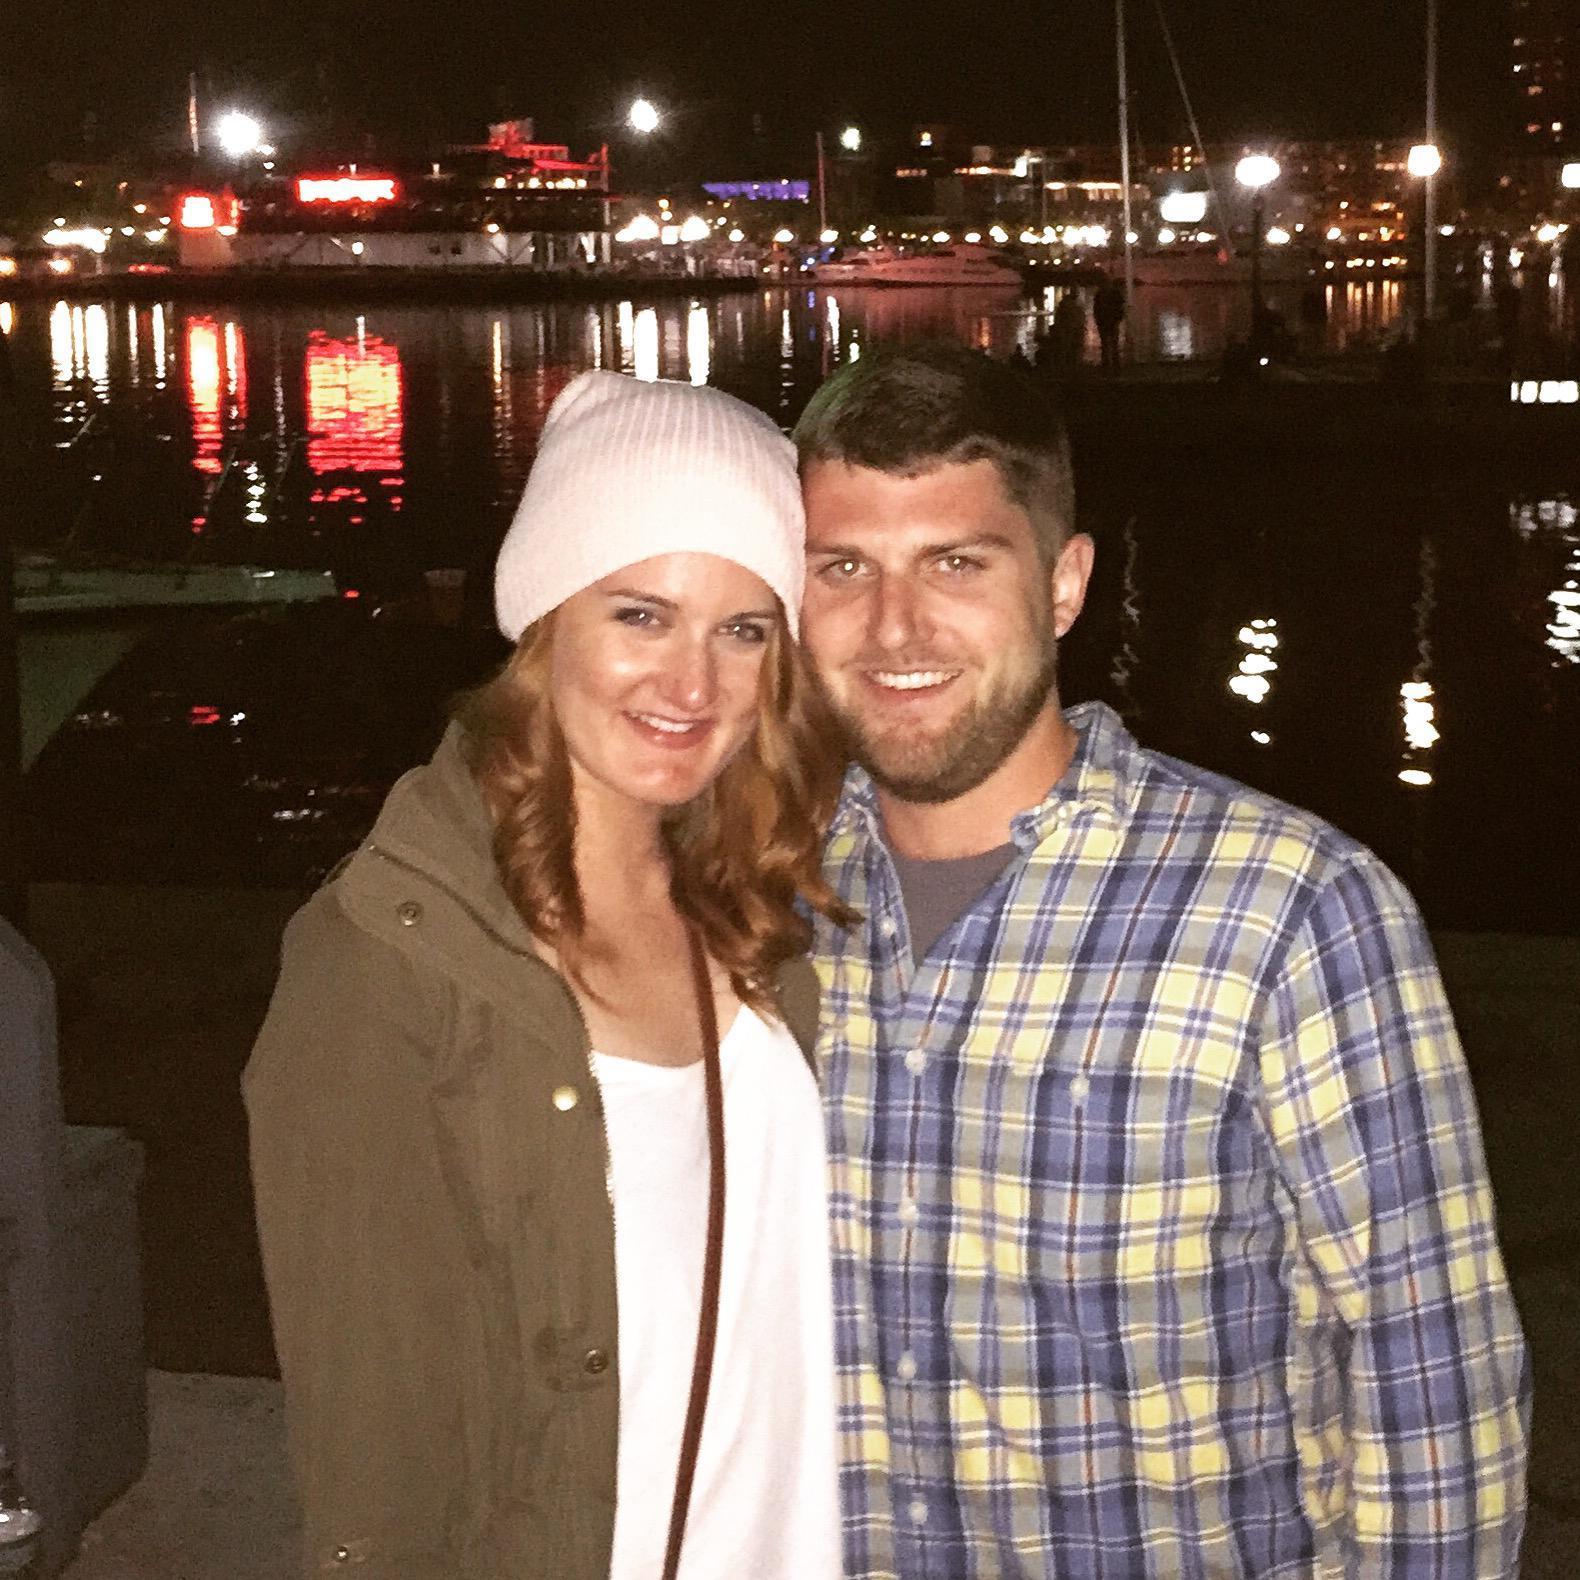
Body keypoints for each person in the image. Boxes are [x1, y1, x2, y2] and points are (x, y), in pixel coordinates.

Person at [791, 343, 1529, 1578]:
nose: (893, 625)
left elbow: (1428, 1377)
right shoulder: (755, 895)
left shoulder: (1290, 907)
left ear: (1063, 582)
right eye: (843, 567)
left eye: (957, 561)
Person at [245, 371, 852, 1580]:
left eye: (742, 629)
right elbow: (374, 1455)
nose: (692, 684)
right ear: (544, 622)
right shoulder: (386, 962)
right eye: (641, 614)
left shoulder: (769, 910)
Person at [1092, 275, 1126, 369]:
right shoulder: (1114, 293)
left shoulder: (1100, 294)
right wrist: (1119, 318)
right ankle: (1113, 363)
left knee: (1106, 343)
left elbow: (1096, 308)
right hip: (1110, 321)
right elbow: (1120, 307)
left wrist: (1097, 320)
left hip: (1105, 321)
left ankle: (1107, 363)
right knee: (1112, 343)